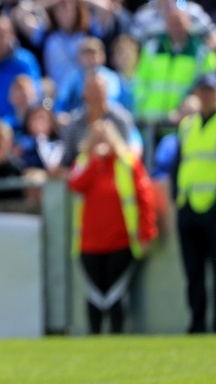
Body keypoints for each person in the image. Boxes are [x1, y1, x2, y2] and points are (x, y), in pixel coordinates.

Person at [68, 119, 156, 334]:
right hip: (89, 243)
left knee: (116, 294)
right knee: (94, 295)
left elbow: (144, 199)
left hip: (121, 241)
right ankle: (94, 335)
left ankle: (117, 336)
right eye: (96, 136)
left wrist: (146, 233)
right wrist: (94, 161)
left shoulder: (128, 162)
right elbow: (75, 184)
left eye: (105, 136)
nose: (101, 141)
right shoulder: (83, 162)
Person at [173, 73, 216, 333]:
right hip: (188, 204)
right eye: (202, 91)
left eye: (210, 91)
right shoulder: (187, 125)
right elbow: (180, 163)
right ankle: (197, 323)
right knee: (193, 272)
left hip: (214, 205)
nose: (206, 95)